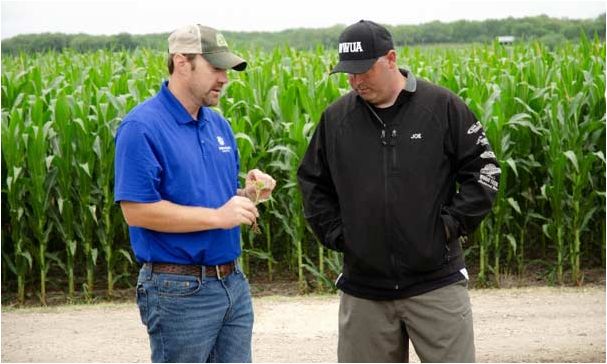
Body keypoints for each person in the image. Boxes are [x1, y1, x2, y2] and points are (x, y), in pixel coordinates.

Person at [297, 20, 499, 363]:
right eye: (348, 73)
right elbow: (313, 183)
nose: (355, 81)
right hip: (364, 291)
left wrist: (449, 227)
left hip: (435, 283)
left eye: (364, 70)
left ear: (391, 59)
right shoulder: (336, 120)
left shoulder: (442, 107)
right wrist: (340, 236)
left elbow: (484, 171)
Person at [114, 24, 276, 363]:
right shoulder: (142, 127)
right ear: (181, 62)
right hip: (178, 291)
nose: (224, 78)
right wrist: (219, 217)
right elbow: (137, 211)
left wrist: (250, 194)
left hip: (232, 283)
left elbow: (214, 200)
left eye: (226, 69)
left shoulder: (218, 125)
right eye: (215, 68)